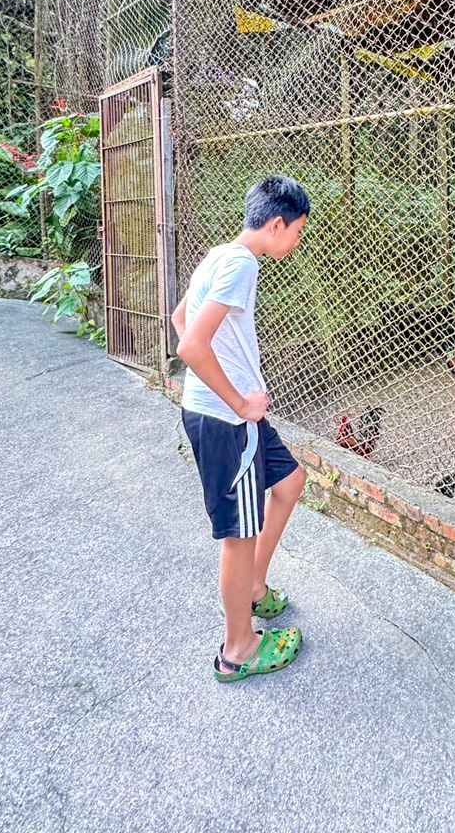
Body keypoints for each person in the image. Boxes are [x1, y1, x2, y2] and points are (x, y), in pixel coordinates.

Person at [172, 176, 309, 682]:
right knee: (238, 533)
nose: (295, 241)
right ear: (276, 223)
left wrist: (225, 380)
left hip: (226, 413)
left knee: (290, 484)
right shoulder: (241, 264)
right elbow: (189, 346)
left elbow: (179, 318)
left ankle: (254, 588)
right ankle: (239, 649)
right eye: (296, 231)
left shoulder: (217, 255)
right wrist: (236, 400)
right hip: (228, 420)